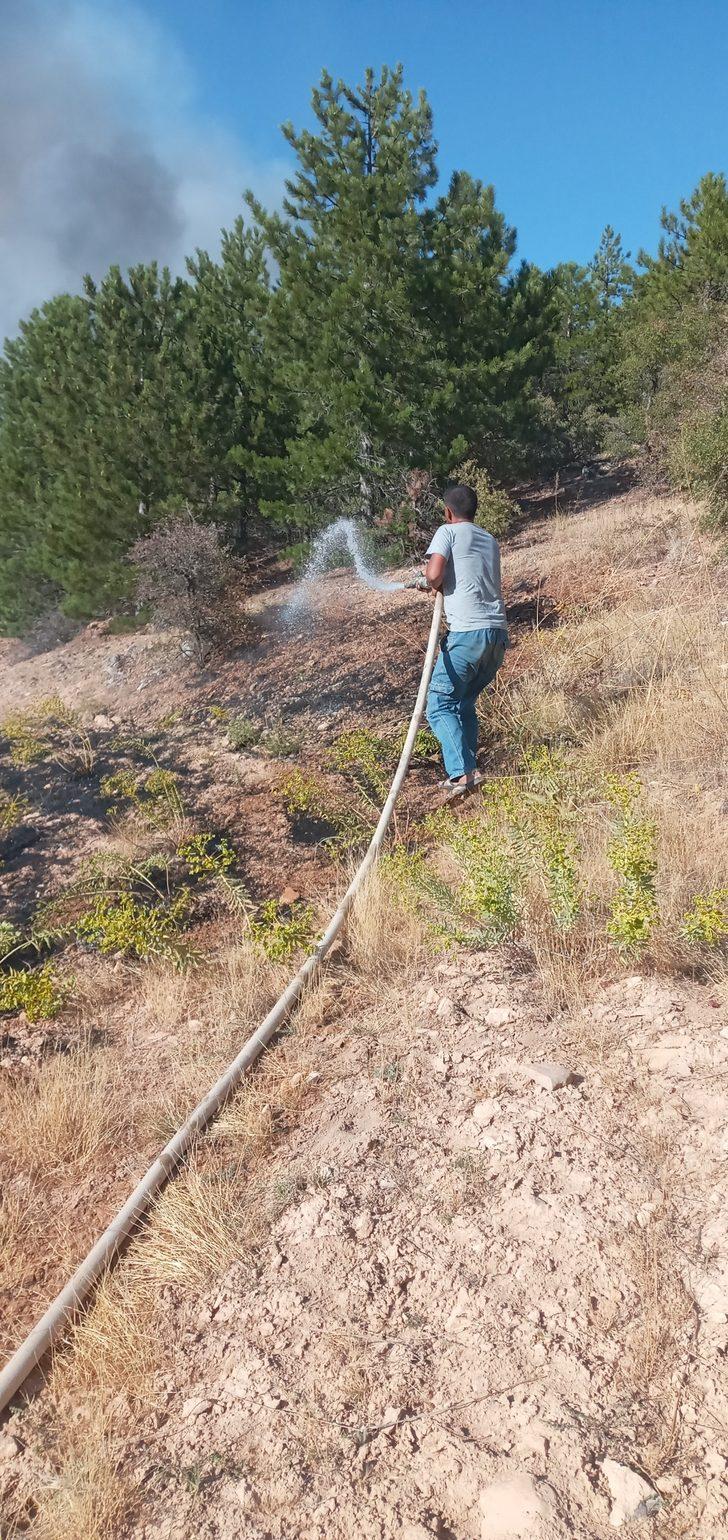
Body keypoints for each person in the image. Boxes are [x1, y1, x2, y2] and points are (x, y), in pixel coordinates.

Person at [423, 483, 508, 797]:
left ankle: (462, 773)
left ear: (448, 512)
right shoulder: (489, 539)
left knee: (439, 704)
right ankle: (469, 772)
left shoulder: (447, 532)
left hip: (468, 635)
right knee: (463, 703)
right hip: (497, 636)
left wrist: (429, 581)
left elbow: (434, 575)